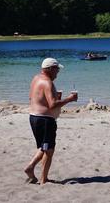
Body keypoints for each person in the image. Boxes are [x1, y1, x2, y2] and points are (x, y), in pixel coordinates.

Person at [24, 57, 78, 185]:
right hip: (45, 121)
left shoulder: (36, 78)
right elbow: (52, 105)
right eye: (57, 69)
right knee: (49, 150)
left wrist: (56, 97)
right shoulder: (47, 82)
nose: (58, 72)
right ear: (49, 69)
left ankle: (30, 167)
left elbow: (33, 97)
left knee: (44, 147)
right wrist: (69, 99)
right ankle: (43, 179)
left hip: (33, 117)